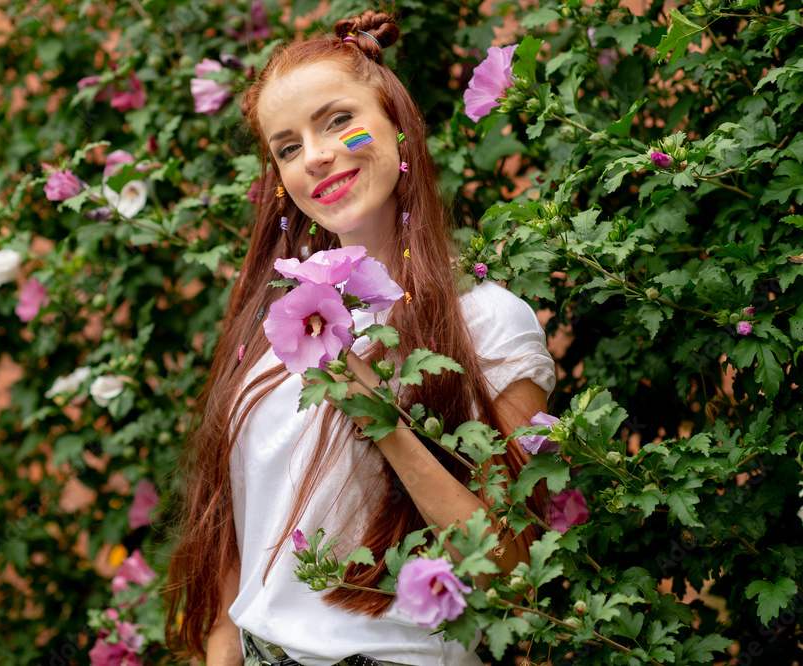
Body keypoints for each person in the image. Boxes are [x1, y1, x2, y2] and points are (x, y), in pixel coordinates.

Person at [166, 10, 555, 666]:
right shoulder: (280, 327)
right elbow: (240, 536)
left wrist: (384, 421)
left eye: (338, 120)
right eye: (287, 147)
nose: (315, 156)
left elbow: (513, 576)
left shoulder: (488, 323)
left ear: (398, 127)